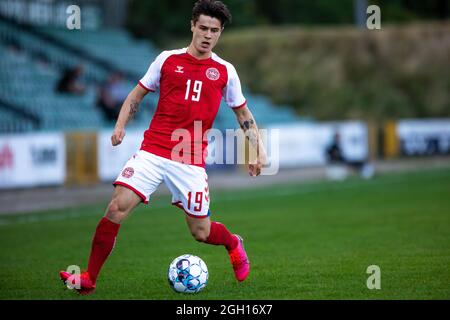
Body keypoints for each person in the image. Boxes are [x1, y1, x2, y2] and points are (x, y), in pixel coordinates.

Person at [59, 0, 267, 295]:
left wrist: (260, 151)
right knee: (116, 207)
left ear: (220, 33)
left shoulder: (225, 71)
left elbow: (243, 114)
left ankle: (233, 242)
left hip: (190, 159)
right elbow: (135, 96)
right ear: (192, 25)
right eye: (203, 28)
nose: (208, 35)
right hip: (153, 150)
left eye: (215, 31)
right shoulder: (167, 60)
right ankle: (89, 277)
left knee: (201, 232)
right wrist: (120, 126)